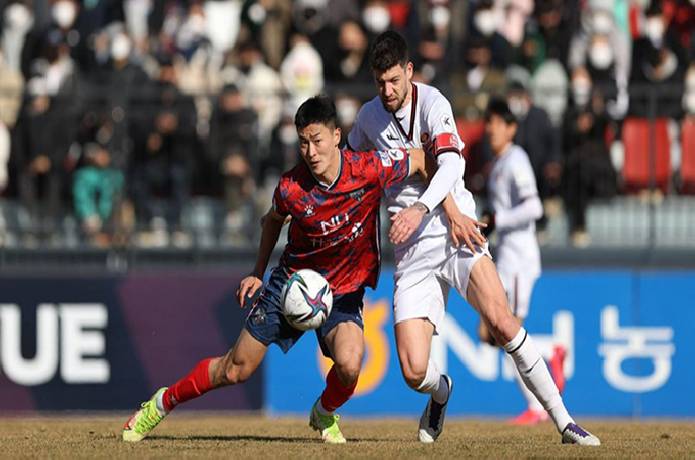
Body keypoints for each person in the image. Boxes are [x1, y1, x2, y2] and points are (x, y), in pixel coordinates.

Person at [122, 95, 442, 444]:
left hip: (343, 291)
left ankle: (323, 413)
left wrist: (446, 209)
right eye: (303, 142)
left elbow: (422, 159)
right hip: (290, 284)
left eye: (317, 141)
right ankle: (160, 403)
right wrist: (258, 272)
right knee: (236, 369)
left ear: (337, 136)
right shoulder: (292, 188)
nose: (311, 152)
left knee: (351, 364)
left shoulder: (369, 168)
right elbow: (272, 221)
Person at [347, 30, 600, 446]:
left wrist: (424, 208)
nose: (388, 90)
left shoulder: (433, 103)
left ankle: (565, 422)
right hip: (411, 250)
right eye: (380, 83)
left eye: (394, 80)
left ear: (409, 71)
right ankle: (440, 391)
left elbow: (449, 166)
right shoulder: (367, 119)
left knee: (502, 323)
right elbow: (356, 169)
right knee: (413, 371)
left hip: (455, 231)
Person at [478, 98, 566, 425]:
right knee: (493, 333)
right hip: (506, 257)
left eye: (498, 123)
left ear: (512, 128)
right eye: (489, 122)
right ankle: (551, 354)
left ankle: (535, 404)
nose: (491, 129)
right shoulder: (499, 164)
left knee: (507, 332)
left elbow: (534, 209)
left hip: (518, 258)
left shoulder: (516, 160)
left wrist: (499, 219)